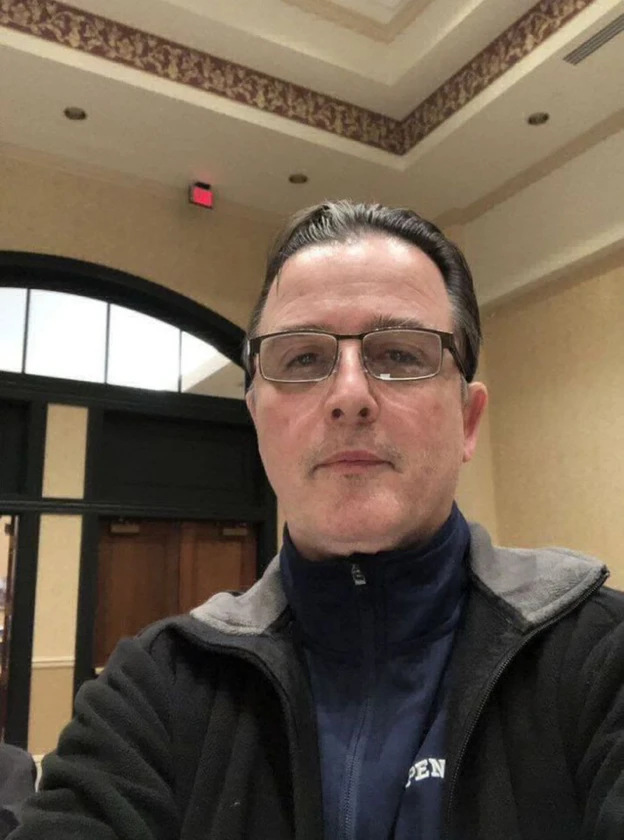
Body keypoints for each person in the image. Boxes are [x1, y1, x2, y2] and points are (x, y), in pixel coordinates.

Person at [11, 201, 624, 840]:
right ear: (257, 421)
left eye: (401, 353)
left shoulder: (602, 656)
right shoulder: (152, 689)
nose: (350, 395)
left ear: (467, 422)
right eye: (302, 359)